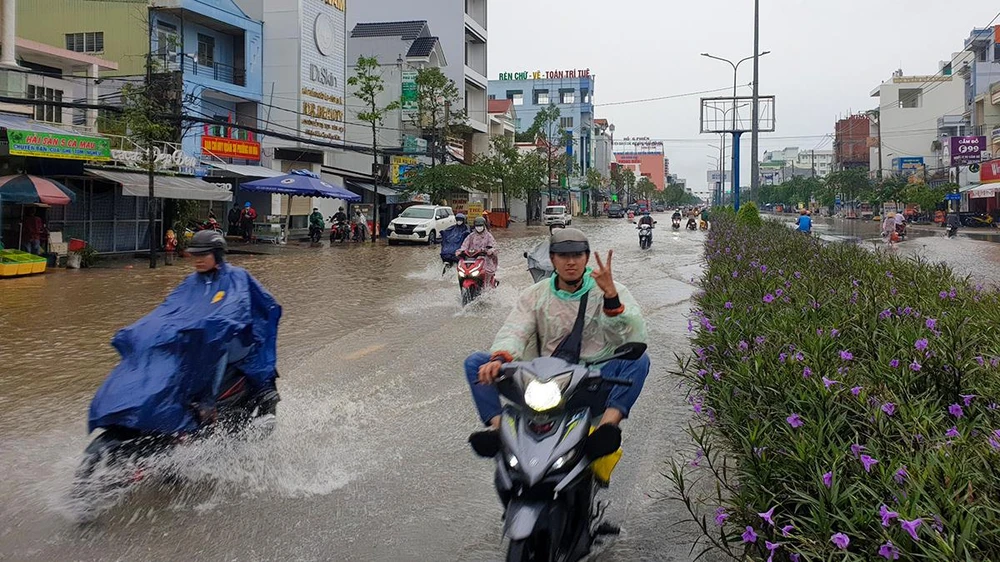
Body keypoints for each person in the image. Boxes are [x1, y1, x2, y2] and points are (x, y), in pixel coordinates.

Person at [464, 228, 650, 459]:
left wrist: (611, 298)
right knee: (475, 363)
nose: (570, 262)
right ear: (552, 259)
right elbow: (515, 329)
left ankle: (605, 429)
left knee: (640, 361)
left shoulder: (611, 289)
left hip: (591, 381)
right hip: (541, 379)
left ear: (586, 258)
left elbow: (632, 336)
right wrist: (500, 358)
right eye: (563, 255)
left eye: (577, 255)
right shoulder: (535, 294)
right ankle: (502, 431)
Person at [185, 230, 280, 422]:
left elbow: (236, 304)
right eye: (196, 255)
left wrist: (218, 322)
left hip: (234, 338)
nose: (198, 260)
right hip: (202, 336)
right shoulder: (191, 282)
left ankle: (209, 403)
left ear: (217, 255)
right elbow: (171, 309)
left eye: (204, 255)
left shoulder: (236, 276)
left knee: (217, 345)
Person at [458, 217, 498, 283]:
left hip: (485, 259)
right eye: (477, 226)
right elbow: (464, 245)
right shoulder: (471, 236)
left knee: (487, 272)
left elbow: (494, 246)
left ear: (484, 226)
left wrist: (490, 251)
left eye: (480, 226)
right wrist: (460, 251)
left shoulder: (488, 236)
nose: (479, 228)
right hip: (472, 259)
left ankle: (487, 285)